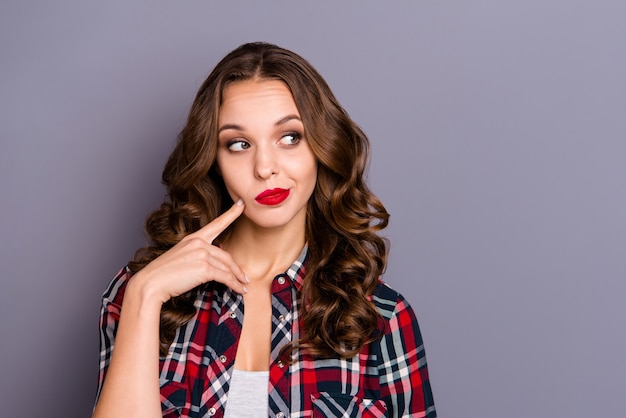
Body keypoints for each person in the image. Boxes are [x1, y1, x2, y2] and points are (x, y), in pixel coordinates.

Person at [92, 41, 436, 418]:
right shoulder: (141, 296)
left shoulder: (381, 316)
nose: (265, 167)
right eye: (239, 144)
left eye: (290, 137)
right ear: (213, 162)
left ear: (322, 147)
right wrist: (145, 293)